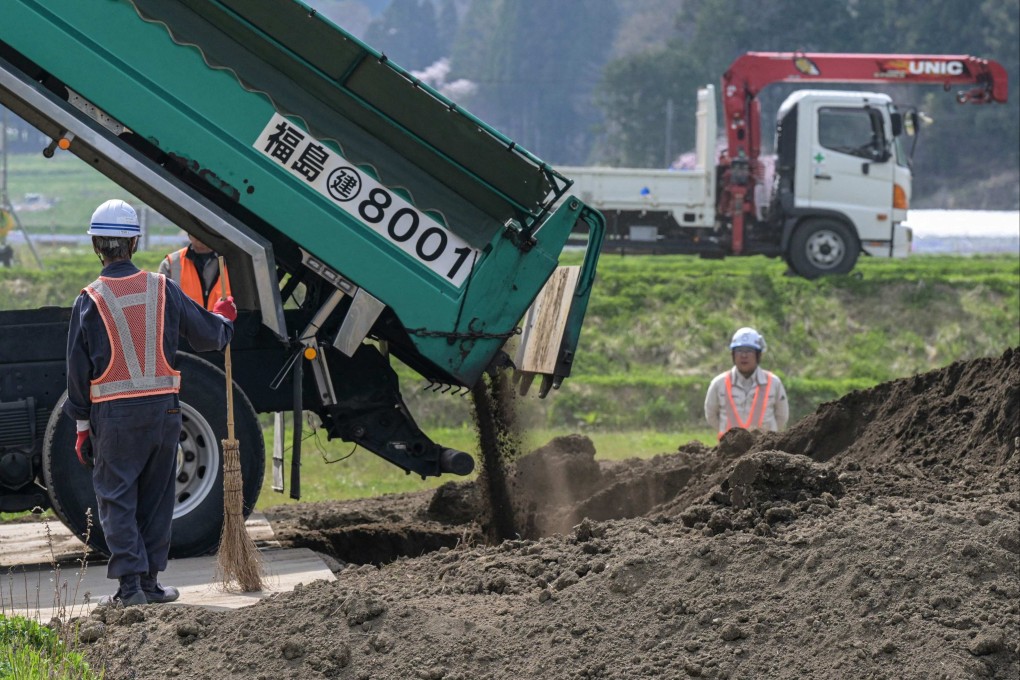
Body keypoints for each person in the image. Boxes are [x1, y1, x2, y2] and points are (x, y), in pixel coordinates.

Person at [63, 199, 237, 607]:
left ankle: (129, 590)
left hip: (116, 418)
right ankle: (153, 584)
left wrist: (82, 427)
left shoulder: (90, 300)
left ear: (96, 247)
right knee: (157, 498)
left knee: (117, 498)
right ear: (134, 243)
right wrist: (225, 319)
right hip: (165, 412)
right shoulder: (163, 288)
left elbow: (77, 373)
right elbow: (210, 336)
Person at [704, 327, 788, 438]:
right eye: (739, 350)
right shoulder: (718, 383)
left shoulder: (773, 383)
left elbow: (781, 417)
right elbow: (711, 415)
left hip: (764, 451)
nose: (744, 355)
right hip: (730, 451)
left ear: (758, 355)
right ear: (733, 354)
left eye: (749, 351)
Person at [158, 233, 230, 310]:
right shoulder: (171, 263)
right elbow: (160, 304)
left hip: (222, 321)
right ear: (189, 234)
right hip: (183, 321)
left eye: (205, 232)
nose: (201, 239)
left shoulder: (232, 262)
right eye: (197, 233)